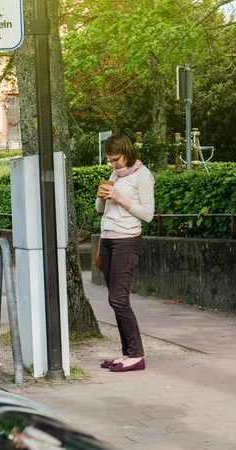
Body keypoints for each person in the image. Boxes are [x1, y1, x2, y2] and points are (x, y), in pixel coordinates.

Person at [96, 133, 154, 373]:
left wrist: (120, 198)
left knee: (118, 299)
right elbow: (101, 210)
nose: (113, 164)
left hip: (127, 241)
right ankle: (126, 353)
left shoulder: (143, 175)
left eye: (116, 159)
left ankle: (136, 355)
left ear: (127, 152)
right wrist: (101, 197)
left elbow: (148, 214)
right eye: (109, 160)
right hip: (108, 239)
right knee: (115, 300)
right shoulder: (115, 175)